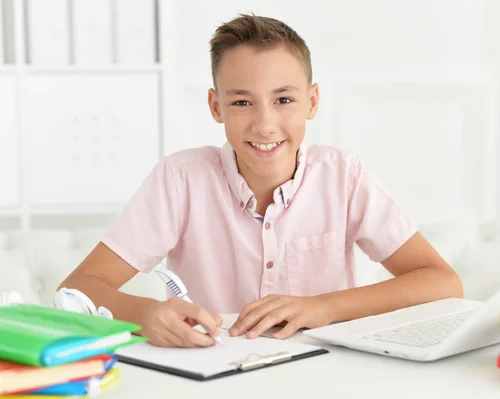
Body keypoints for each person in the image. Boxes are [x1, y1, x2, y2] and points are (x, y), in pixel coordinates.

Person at [57, 13, 463, 348]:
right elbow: (77, 287)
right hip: (212, 375)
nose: (265, 124)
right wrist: (145, 314)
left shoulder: (344, 176)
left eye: (283, 100)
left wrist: (322, 306)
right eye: (241, 102)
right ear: (216, 106)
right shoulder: (180, 179)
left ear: (313, 101)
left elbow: (442, 283)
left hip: (329, 375)